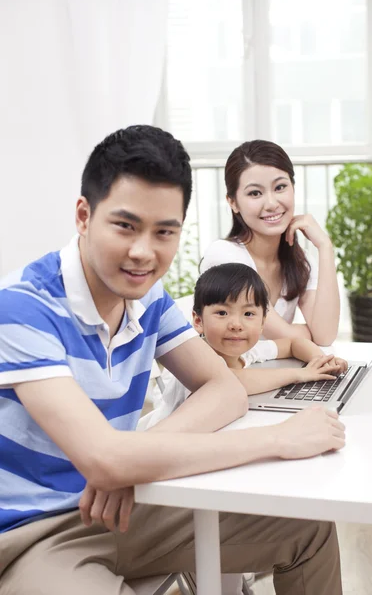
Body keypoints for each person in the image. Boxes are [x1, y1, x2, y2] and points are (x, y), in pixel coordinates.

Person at [0, 125, 345, 595]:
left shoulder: (149, 299)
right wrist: (279, 439)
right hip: (34, 534)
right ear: (84, 216)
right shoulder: (23, 307)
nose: (144, 252)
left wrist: (131, 464)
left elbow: (224, 389)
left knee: (307, 530)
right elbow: (103, 457)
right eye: (125, 226)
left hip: (133, 504)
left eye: (165, 231)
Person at [139, 262, 348, 431]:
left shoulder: (248, 352)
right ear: (198, 320)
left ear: (263, 321)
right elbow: (231, 382)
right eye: (222, 313)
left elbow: (294, 344)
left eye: (248, 314)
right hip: (161, 443)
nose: (236, 325)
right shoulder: (196, 358)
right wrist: (300, 374)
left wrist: (319, 361)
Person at [200, 140, 340, 346]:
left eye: (280, 187)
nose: (272, 204)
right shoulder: (225, 257)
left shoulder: (299, 261)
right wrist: (308, 333)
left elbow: (326, 335)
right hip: (230, 376)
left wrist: (325, 247)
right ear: (233, 202)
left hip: (278, 372)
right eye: (255, 193)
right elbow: (288, 336)